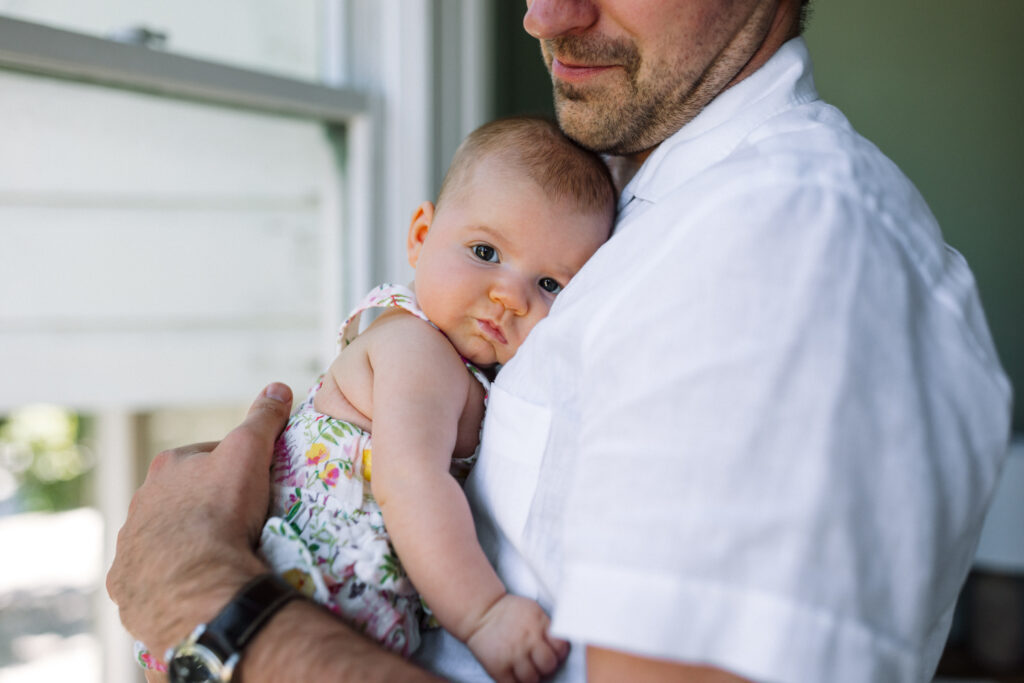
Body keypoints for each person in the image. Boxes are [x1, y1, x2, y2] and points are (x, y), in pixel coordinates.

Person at [108, 1, 1014, 682]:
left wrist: (211, 602)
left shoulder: (782, 236)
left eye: (544, 284)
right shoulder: (620, 208)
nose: (544, 15)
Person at [132, 116, 615, 681]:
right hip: (307, 585)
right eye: (485, 251)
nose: (509, 295)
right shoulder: (417, 350)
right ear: (419, 237)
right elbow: (411, 482)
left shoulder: (455, 362)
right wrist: (484, 614)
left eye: (550, 285)